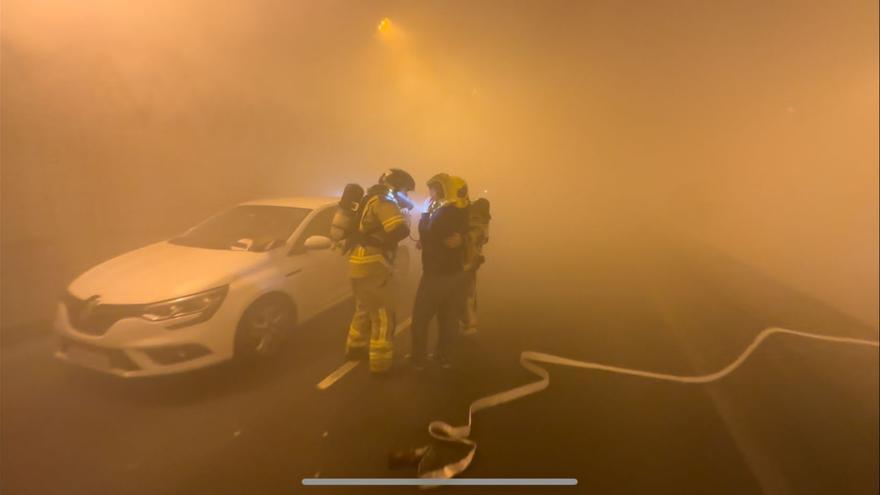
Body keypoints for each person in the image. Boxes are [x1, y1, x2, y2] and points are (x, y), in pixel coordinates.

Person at [344, 168, 415, 374]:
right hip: (374, 265)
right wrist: (404, 224)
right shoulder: (385, 202)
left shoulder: (369, 198)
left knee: (364, 308)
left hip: (358, 262)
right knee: (383, 314)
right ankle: (381, 363)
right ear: (397, 187)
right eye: (405, 190)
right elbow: (398, 229)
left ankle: (355, 347)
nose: (407, 195)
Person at [410, 174, 469, 369]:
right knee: (448, 318)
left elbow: (432, 232)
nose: (430, 193)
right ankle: (444, 357)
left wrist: (425, 216)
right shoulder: (456, 209)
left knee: (420, 318)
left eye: (433, 189)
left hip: (436, 274)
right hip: (453, 274)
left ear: (443, 189)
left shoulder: (447, 211)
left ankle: (418, 359)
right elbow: (436, 237)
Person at [460, 197, 490, 335]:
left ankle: (468, 323)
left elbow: (473, 236)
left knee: (466, 292)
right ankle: (468, 322)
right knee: (469, 291)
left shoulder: (477, 217)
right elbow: (484, 238)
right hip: (472, 260)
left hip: (467, 260)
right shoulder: (484, 219)